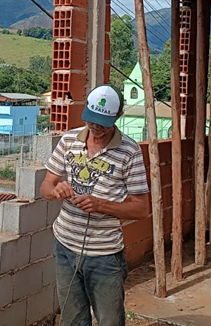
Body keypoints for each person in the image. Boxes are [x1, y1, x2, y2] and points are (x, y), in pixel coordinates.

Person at [40, 84, 150, 326]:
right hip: (64, 247)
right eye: (91, 120)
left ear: (118, 116)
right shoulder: (69, 140)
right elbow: (46, 186)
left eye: (103, 123)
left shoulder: (129, 151)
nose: (96, 127)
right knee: (73, 319)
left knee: (110, 320)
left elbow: (142, 209)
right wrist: (55, 190)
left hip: (104, 255)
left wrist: (101, 204)